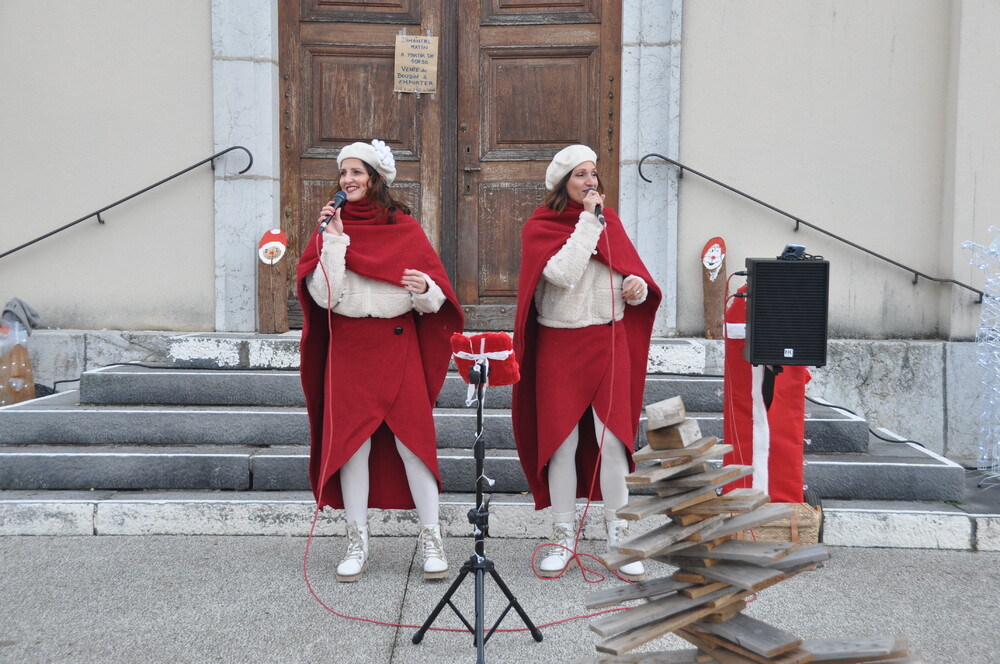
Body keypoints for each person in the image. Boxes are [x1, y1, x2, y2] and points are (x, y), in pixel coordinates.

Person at [296, 139, 464, 583]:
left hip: (398, 347)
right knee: (352, 449)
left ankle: (431, 538)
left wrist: (424, 289)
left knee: (415, 445)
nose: (347, 180)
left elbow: (437, 303)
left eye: (356, 172)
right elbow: (324, 297)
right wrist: (332, 245)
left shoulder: (404, 227)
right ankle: (357, 540)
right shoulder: (330, 228)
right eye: (343, 173)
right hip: (350, 349)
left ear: (375, 178)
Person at [512, 145, 661, 580]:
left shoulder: (606, 221)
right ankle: (562, 538)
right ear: (563, 183)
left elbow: (626, 273)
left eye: (593, 174)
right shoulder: (541, 227)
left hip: (607, 338)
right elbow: (562, 274)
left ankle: (620, 538)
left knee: (613, 442)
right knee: (562, 444)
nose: (591, 182)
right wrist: (588, 223)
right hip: (560, 344)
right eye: (581, 175)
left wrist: (633, 286)